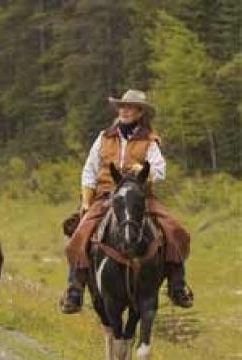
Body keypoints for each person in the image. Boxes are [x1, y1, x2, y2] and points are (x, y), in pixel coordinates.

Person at [60, 89, 194, 314]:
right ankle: (75, 289)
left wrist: (144, 170)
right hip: (106, 195)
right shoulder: (103, 137)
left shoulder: (149, 140)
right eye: (122, 107)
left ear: (140, 112)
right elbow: (89, 171)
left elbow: (160, 170)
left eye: (130, 107)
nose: (124, 111)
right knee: (79, 235)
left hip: (140, 197)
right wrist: (86, 201)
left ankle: (177, 285)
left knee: (175, 232)